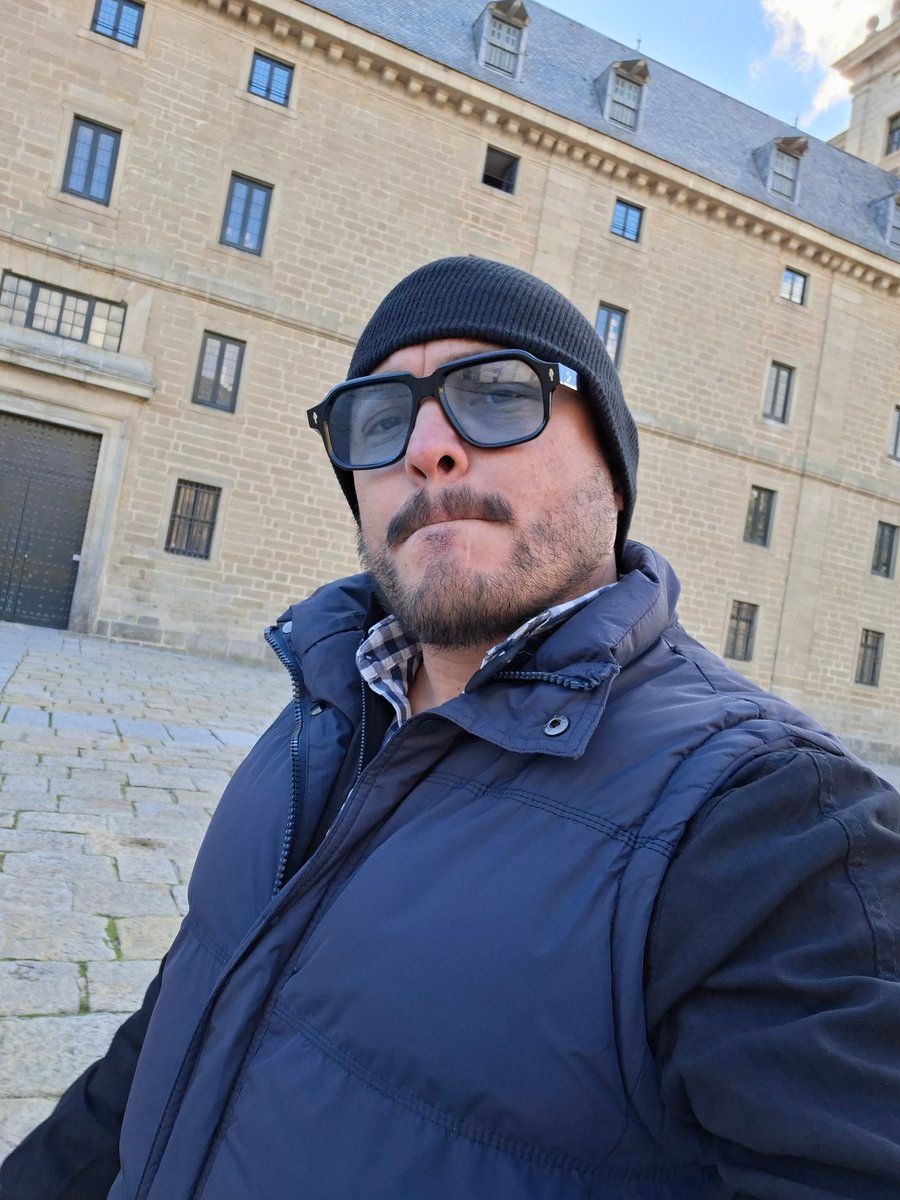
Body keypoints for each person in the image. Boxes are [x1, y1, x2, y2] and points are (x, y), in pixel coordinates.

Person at [3, 256, 900, 1200]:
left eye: (499, 394)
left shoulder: (772, 820)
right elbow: (184, 1017)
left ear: (613, 468)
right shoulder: (325, 709)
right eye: (379, 419)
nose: (427, 447)